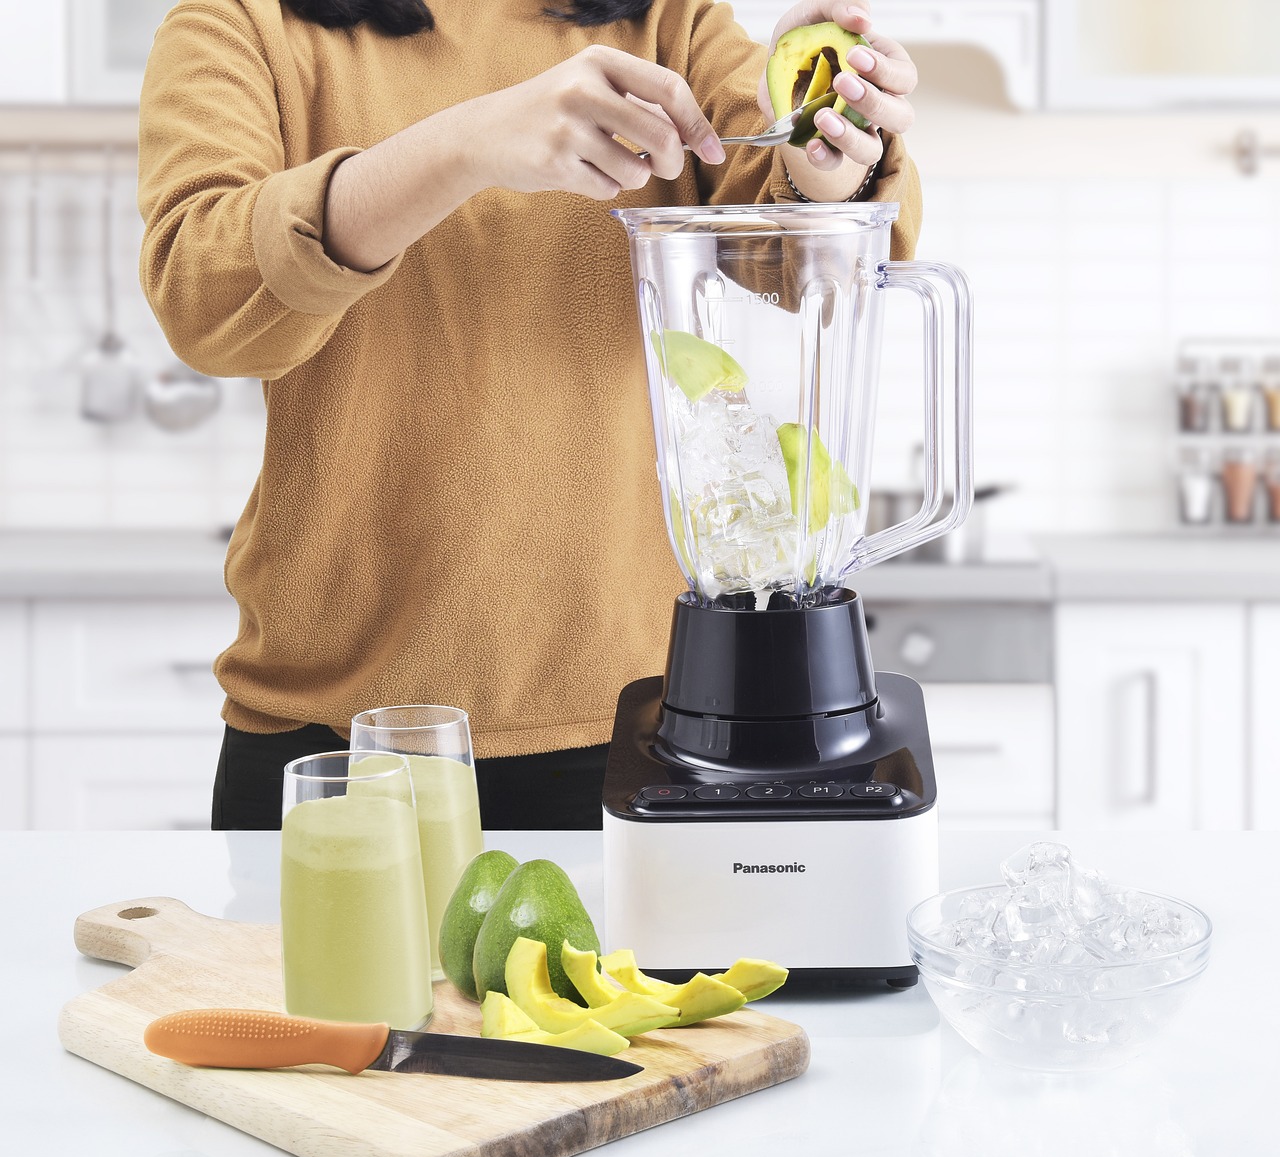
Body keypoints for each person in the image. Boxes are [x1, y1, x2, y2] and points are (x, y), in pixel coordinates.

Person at [137, 0, 922, 832]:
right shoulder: (242, 25)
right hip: (335, 742)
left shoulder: (672, 20)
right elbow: (206, 296)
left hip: (641, 725)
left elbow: (795, 250)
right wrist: (465, 145)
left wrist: (831, 159)